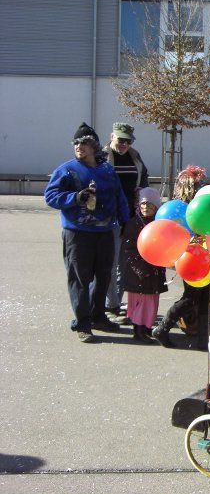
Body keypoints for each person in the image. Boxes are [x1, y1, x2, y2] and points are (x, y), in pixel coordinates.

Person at [44, 122, 129, 343]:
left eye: (84, 143)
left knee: (103, 277)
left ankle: (98, 317)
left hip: (105, 231)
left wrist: (125, 221)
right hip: (78, 233)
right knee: (80, 279)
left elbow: (119, 196)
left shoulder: (107, 170)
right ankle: (83, 324)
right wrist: (75, 197)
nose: (79, 146)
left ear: (94, 146)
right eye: (76, 143)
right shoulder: (67, 169)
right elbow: (50, 196)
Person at [151, 165, 210, 350]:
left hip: (202, 254)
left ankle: (203, 339)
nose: (203, 187)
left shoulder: (195, 205)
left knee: (206, 296)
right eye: (199, 184)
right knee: (192, 296)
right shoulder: (183, 208)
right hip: (191, 256)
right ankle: (163, 328)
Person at [102, 122, 150, 322]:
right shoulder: (102, 157)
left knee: (125, 263)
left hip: (130, 216)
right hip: (110, 217)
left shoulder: (135, 156)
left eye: (128, 141)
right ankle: (109, 305)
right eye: (121, 140)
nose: (124, 144)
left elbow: (144, 178)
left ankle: (115, 302)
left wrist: (142, 191)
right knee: (110, 263)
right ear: (112, 136)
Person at [121, 187, 168, 344]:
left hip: (155, 269)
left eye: (149, 204)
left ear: (156, 206)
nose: (145, 207)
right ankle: (138, 330)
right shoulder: (133, 223)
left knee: (151, 301)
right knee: (140, 302)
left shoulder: (159, 223)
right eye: (143, 204)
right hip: (138, 271)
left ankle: (147, 327)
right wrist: (140, 268)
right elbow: (128, 249)